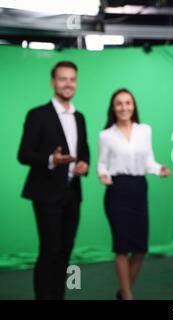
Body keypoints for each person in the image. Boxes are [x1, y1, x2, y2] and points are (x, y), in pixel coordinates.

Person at [18, 61, 90, 300]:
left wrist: (84, 165)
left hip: (72, 194)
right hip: (46, 193)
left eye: (72, 79)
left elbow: (84, 150)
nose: (68, 83)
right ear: (53, 82)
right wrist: (52, 159)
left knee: (65, 251)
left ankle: (58, 296)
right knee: (49, 251)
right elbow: (24, 154)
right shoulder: (37, 115)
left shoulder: (80, 117)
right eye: (63, 79)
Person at [97, 88, 172, 300]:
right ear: (113, 108)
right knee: (121, 248)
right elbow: (102, 164)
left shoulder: (145, 130)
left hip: (139, 189)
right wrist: (102, 175)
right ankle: (128, 297)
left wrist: (160, 170)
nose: (124, 107)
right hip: (117, 191)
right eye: (119, 103)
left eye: (128, 103)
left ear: (133, 106)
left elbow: (149, 161)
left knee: (139, 250)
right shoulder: (106, 135)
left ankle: (122, 293)